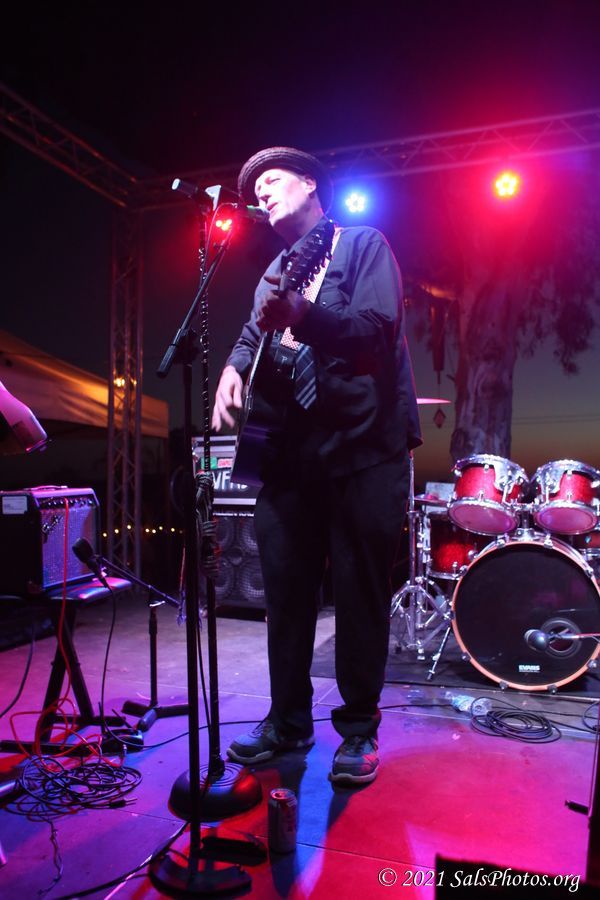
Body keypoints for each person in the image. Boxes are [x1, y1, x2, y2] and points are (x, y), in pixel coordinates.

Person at [212, 147, 422, 785]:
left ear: (310, 183)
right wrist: (232, 369)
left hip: (363, 447)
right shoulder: (273, 272)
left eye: (272, 180)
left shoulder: (362, 244)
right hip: (288, 454)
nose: (261, 193)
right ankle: (288, 721)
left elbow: (376, 328)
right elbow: (252, 335)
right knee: (285, 595)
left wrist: (305, 316)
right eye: (254, 188)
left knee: (359, 594)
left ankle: (358, 730)